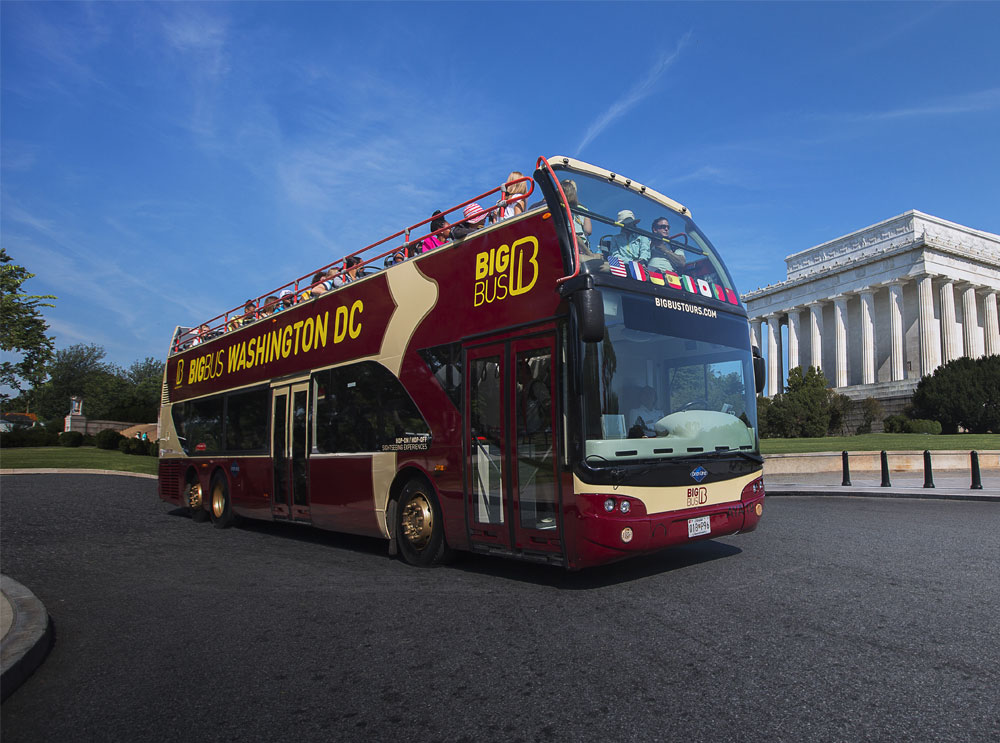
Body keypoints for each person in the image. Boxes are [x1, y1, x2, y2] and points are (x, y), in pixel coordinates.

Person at [560, 179, 596, 256]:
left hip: (563, 242)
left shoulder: (557, 206)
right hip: (581, 246)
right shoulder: (583, 209)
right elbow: (588, 230)